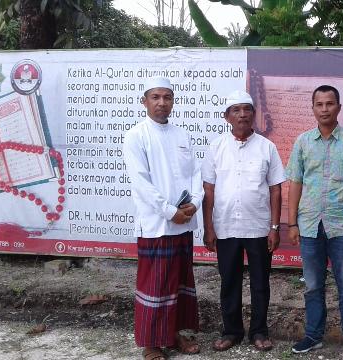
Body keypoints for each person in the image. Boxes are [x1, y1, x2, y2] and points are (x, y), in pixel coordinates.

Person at [286, 85, 343, 360]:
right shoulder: (302, 142)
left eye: (329, 103)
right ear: (312, 108)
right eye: (319, 104)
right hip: (310, 224)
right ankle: (313, 335)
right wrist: (292, 223)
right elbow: (295, 183)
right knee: (312, 285)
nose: (324, 109)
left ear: (339, 107)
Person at [123, 76, 204, 360]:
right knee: (155, 285)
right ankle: (152, 343)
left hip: (183, 223)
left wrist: (194, 202)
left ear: (173, 101)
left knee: (180, 281)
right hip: (157, 225)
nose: (162, 102)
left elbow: (195, 174)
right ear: (144, 101)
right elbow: (141, 183)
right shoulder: (136, 136)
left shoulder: (182, 135)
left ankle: (174, 334)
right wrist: (171, 212)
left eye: (167, 97)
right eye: (155, 97)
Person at [201, 90, 285, 352]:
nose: (242, 114)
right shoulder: (216, 147)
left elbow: (275, 190)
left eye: (247, 109)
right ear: (227, 117)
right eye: (235, 110)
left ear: (254, 114)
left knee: (260, 281)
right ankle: (232, 331)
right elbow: (209, 190)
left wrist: (274, 227)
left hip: (258, 226)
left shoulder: (266, 147)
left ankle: (259, 332)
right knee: (229, 282)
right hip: (225, 226)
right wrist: (209, 227)